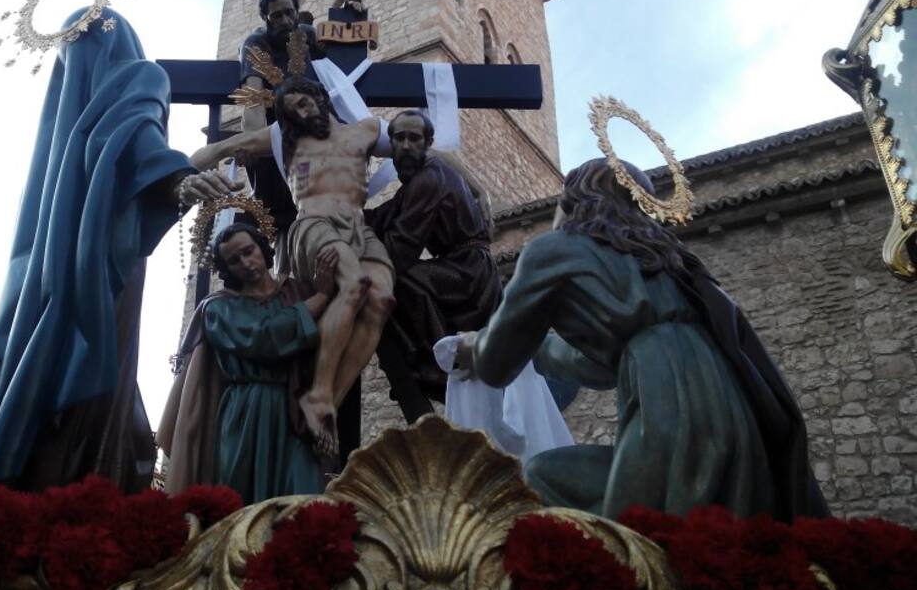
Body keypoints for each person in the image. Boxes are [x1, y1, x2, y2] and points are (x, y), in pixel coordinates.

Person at [0, 8, 237, 492]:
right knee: (91, 355)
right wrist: (175, 181)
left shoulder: (65, 120)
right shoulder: (141, 74)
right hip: (102, 257)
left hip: (57, 262)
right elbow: (132, 130)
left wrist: (173, 179)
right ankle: (76, 486)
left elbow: (128, 135)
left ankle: (24, 477)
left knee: (38, 354)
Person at [468, 158, 829, 521]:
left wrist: (473, 346)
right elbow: (598, 368)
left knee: (648, 525)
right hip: (733, 404)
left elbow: (495, 364)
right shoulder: (673, 262)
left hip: (667, 396)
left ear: (573, 199)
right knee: (549, 476)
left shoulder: (552, 250)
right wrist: (541, 350)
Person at [190, 76, 394, 457]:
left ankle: (326, 404)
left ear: (320, 97)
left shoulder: (366, 130)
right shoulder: (284, 139)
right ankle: (319, 393)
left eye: (304, 103)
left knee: (380, 300)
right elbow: (221, 148)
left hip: (358, 227)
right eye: (292, 111)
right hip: (313, 225)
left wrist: (472, 185)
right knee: (355, 284)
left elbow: (421, 147)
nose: (301, 113)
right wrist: (180, 177)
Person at [158, 223, 337, 503]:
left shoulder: (296, 291)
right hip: (244, 412)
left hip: (295, 409)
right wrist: (322, 297)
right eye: (234, 260)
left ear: (262, 248)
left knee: (303, 496)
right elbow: (263, 337)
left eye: (248, 251)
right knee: (239, 500)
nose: (245, 263)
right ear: (226, 269)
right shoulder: (218, 308)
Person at [368, 109, 503, 421]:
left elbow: (401, 249)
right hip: (463, 267)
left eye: (414, 138)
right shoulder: (422, 177)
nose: (405, 145)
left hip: (469, 275)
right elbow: (390, 212)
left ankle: (430, 367)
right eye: (399, 138)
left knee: (393, 284)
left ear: (427, 143)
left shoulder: (428, 178)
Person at [236, 0, 322, 263]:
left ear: (297, 12)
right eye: (276, 16)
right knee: (284, 218)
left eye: (289, 13)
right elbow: (253, 97)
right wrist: (254, 140)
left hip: (312, 138)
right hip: (277, 142)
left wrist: (352, 15)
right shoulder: (256, 43)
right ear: (266, 18)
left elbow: (341, 44)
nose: (285, 20)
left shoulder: (306, 34)